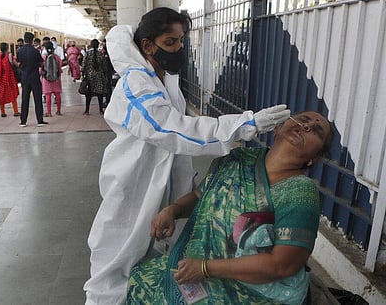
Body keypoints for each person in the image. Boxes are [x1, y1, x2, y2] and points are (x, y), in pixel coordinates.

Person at [84, 7, 290, 304]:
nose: (179, 48)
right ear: (147, 45)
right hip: (134, 186)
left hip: (157, 184)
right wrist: (244, 125)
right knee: (115, 264)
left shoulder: (163, 78)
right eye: (171, 42)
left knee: (147, 260)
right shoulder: (135, 83)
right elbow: (172, 130)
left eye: (181, 41)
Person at [127, 111, 333, 304]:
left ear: (313, 158)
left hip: (259, 290)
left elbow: (283, 265)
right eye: (304, 120)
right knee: (141, 278)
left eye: (316, 131)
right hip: (208, 267)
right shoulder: (238, 159)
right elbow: (201, 195)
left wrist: (205, 268)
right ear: (278, 128)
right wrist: (172, 210)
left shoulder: (300, 192)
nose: (306, 127)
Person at [16, 32, 48, 127]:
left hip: (24, 77)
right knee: (37, 99)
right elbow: (41, 64)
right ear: (32, 40)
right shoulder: (35, 51)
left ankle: (23, 121)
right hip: (34, 77)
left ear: (24, 39)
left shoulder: (19, 51)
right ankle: (39, 120)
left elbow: (18, 63)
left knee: (25, 99)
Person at [82, 39, 108, 115]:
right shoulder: (101, 54)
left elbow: (84, 64)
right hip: (99, 76)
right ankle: (100, 110)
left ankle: (87, 110)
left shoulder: (87, 53)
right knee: (100, 94)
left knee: (89, 94)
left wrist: (83, 74)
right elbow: (104, 66)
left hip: (90, 76)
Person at [0, 42, 20, 117]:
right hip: (10, 77)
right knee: (12, 94)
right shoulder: (9, 55)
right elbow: (16, 64)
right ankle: (15, 111)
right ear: (7, 48)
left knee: (2, 95)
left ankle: (2, 112)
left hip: (2, 78)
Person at [40, 41, 63, 116]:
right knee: (57, 95)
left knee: (48, 95)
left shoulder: (43, 57)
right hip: (56, 78)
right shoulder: (56, 57)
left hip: (46, 79)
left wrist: (41, 74)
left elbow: (40, 69)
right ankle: (58, 110)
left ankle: (49, 112)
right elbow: (60, 68)